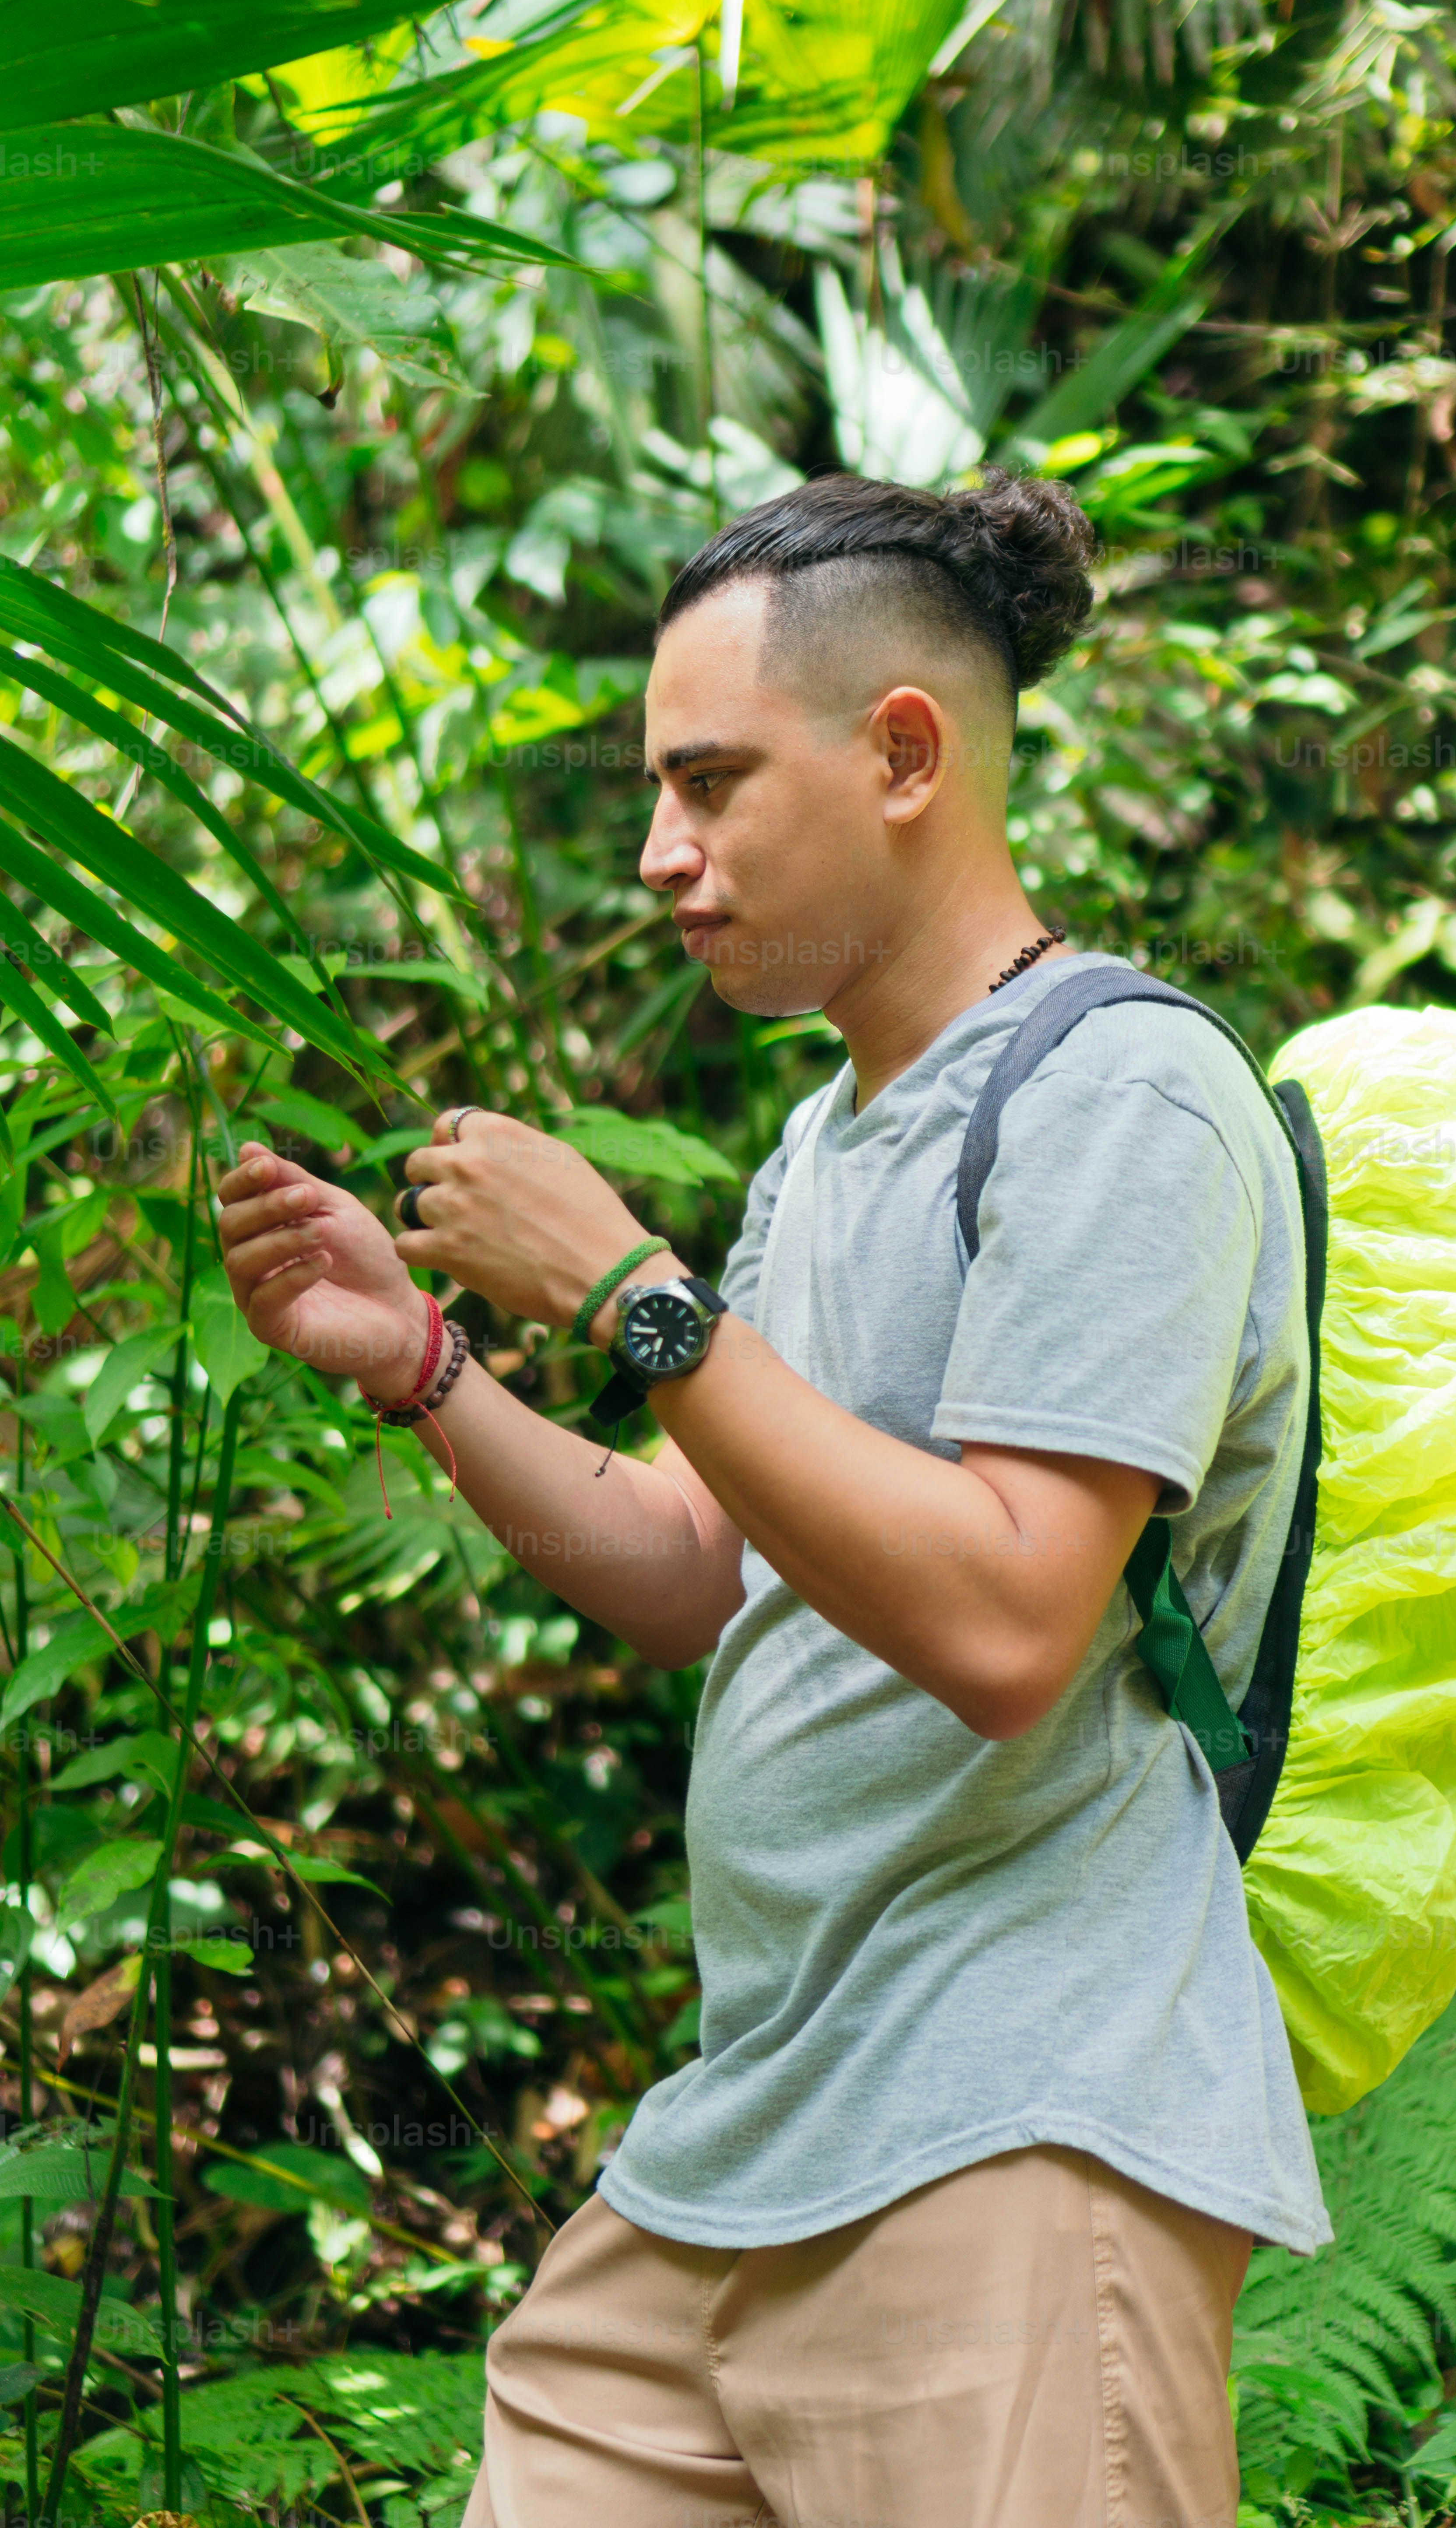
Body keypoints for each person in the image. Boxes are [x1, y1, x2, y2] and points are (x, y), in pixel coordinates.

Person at [217, 469, 1329, 2528]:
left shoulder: (1121, 1096)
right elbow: (695, 1572)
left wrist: (634, 1291)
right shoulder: (830, 1143)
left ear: (903, 752)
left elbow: (1009, 1631)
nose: (662, 854)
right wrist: (433, 1372)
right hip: (752, 2136)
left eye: (710, 783)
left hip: (1015, 2126)